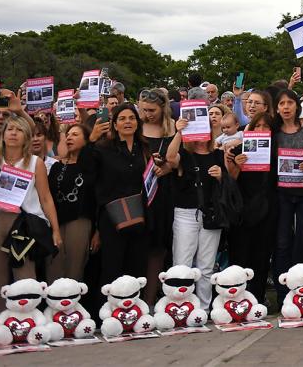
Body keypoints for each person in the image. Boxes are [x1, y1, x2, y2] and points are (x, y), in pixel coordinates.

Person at [0, 93, 61, 314]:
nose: (13, 133)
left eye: (19, 130)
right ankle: (2, 323)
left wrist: (56, 230)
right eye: (10, 129)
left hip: (23, 225)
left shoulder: (35, 163)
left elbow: (46, 198)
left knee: (25, 278)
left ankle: (28, 322)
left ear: (27, 136)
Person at [165, 106, 236, 308]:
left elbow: (229, 182)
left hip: (211, 214)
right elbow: (170, 159)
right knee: (182, 263)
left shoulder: (216, 154)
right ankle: (179, 306)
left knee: (206, 265)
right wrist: (179, 132)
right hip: (186, 213)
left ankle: (204, 306)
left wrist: (221, 176)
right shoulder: (185, 155)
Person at [92, 103, 153, 287]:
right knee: (112, 269)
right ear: (115, 124)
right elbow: (90, 177)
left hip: (140, 216)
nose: (128, 122)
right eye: (122, 118)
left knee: (137, 269)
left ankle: (134, 311)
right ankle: (109, 312)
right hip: (112, 218)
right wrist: (92, 139)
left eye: (132, 118)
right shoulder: (102, 148)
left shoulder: (144, 147)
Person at [272, 88, 303, 298]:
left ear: (296, 105)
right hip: (281, 194)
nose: (285, 107)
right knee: (282, 242)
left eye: (289, 103)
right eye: (281, 104)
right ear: (276, 108)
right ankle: (284, 294)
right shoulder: (272, 131)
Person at [228, 97, 279, 301]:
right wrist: (237, 165)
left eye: (266, 126)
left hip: (268, 209)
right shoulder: (238, 149)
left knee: (261, 254)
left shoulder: (276, 151)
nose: (261, 129)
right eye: (257, 125)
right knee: (240, 254)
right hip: (243, 210)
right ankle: (236, 299)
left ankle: (257, 298)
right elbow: (230, 180)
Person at [46, 122, 98, 282]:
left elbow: (97, 200)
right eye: (68, 135)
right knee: (53, 265)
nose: (69, 137)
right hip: (56, 223)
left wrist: (98, 231)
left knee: (74, 269)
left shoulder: (93, 166)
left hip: (80, 221)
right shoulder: (56, 167)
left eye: (75, 135)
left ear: (86, 140)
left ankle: (71, 305)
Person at [139, 88, 175, 304]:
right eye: (144, 110)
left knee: (158, 248)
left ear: (163, 108)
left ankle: (151, 299)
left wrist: (168, 167)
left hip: (165, 193)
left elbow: (185, 159)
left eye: (152, 110)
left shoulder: (173, 126)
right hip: (140, 192)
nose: (148, 114)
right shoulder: (138, 126)